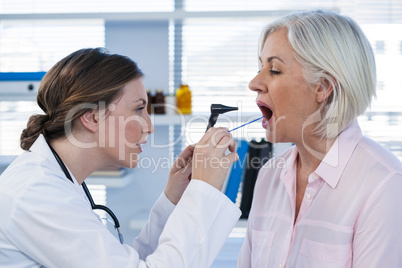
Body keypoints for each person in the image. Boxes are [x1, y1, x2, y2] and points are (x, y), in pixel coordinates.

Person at [0, 48, 241, 267]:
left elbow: (128, 262)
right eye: (138, 109)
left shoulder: (54, 181)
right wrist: (203, 189)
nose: (149, 126)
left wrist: (172, 200)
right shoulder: (39, 193)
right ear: (92, 117)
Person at [237, 10, 402, 267]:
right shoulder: (269, 176)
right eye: (260, 68)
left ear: (323, 87)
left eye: (275, 70)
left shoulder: (384, 186)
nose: (254, 82)